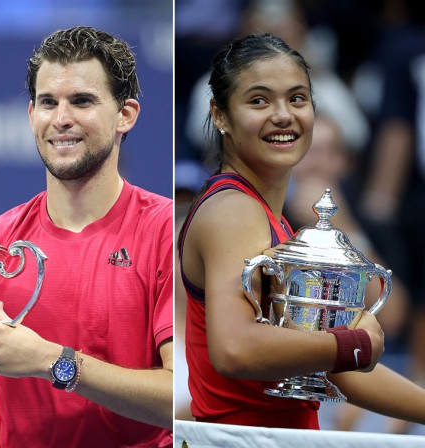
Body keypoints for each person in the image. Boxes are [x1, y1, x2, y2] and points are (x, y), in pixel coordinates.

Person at [0, 26, 174, 447]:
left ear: (125, 115)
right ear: (30, 115)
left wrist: (53, 362)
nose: (61, 119)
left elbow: (179, 398)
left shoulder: (166, 230)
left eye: (82, 101)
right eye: (48, 102)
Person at [178, 32, 425, 429]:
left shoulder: (265, 216)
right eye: (259, 100)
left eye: (297, 98)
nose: (283, 115)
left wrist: (350, 349)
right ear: (220, 115)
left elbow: (332, 366)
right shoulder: (234, 211)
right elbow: (234, 348)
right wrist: (354, 342)